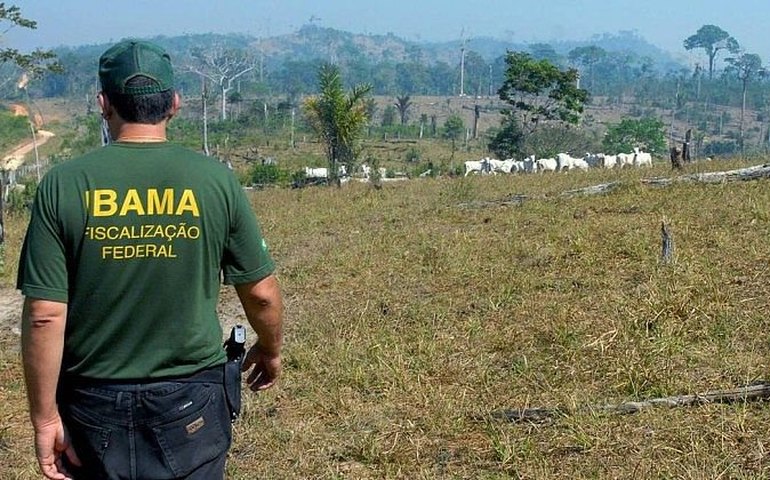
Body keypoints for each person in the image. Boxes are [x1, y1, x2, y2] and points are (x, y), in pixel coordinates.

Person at [17, 39, 283, 480]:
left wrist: (45, 419)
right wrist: (269, 348)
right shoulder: (215, 181)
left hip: (91, 405)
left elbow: (45, 315)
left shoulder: (62, 185)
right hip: (190, 403)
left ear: (103, 104)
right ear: (175, 103)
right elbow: (260, 293)